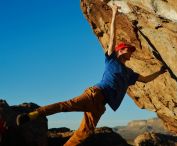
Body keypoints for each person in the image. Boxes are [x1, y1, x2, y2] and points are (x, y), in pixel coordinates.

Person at [16, 4, 167, 146]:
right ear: (120, 50)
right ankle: (33, 115)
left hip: (100, 105)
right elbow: (112, 37)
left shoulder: (129, 74)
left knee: (85, 132)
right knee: (65, 106)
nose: (131, 53)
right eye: (129, 50)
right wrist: (114, 13)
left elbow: (146, 80)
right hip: (94, 94)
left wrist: (160, 71)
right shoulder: (111, 60)